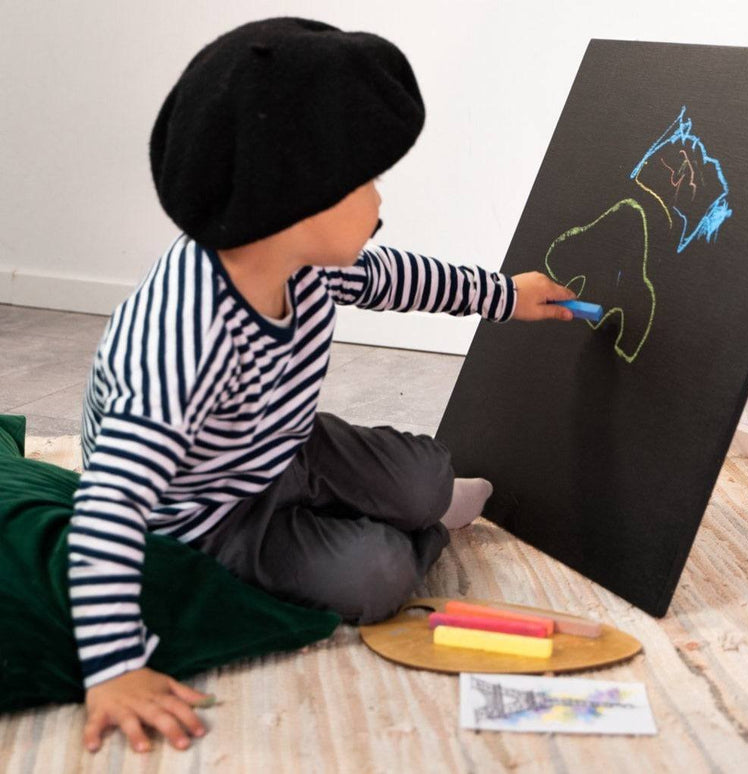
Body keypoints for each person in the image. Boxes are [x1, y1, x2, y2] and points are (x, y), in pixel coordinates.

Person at [71, 17, 575, 754]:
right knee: (376, 577)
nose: (378, 200)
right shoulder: (183, 344)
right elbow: (107, 508)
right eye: (365, 183)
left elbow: (399, 278)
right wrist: (113, 669)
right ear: (294, 201)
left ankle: (426, 501)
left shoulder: (303, 261)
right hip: (208, 517)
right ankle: (421, 531)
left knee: (428, 471)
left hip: (280, 443)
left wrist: (504, 294)